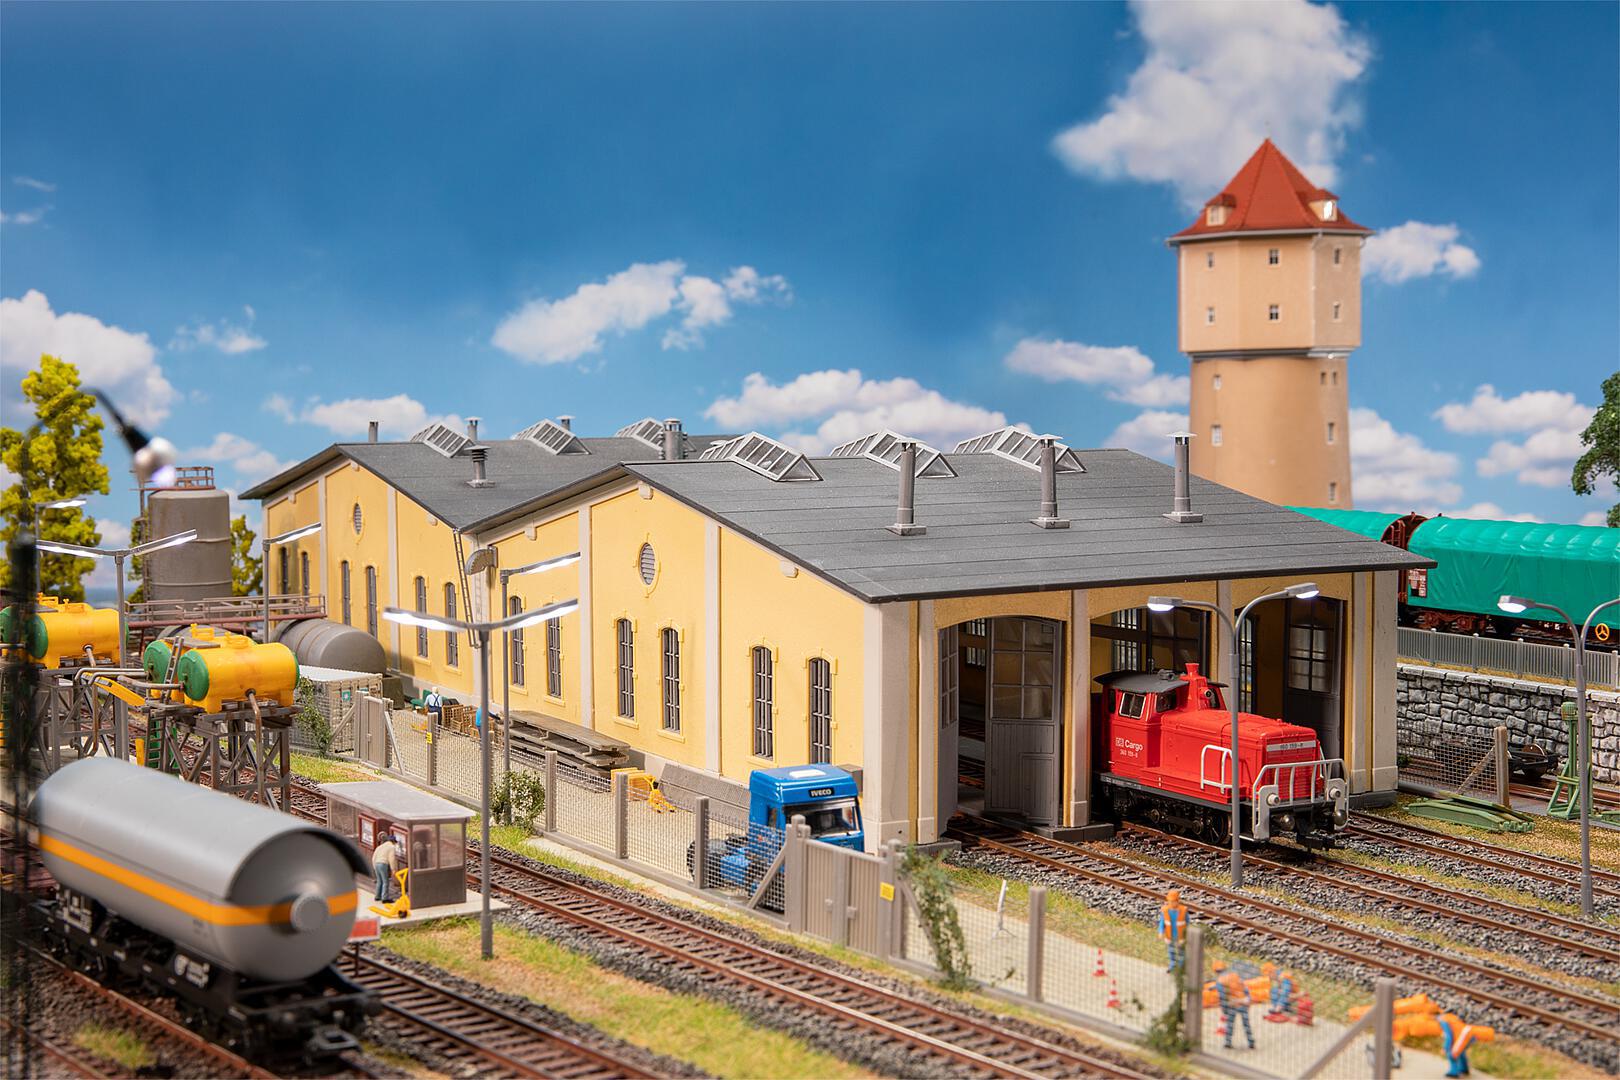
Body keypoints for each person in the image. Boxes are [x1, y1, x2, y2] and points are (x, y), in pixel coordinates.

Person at [1213, 960, 1255, 1050]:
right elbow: (1245, 988)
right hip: (1242, 1002)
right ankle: (1251, 1042)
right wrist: (1248, 1000)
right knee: (1246, 1024)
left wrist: (1224, 1009)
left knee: (1230, 1024)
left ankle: (1228, 1042)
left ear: (1216, 971)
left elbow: (1222, 995)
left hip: (1232, 1004)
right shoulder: (1235, 976)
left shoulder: (1220, 980)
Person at [1158, 888, 1188, 972]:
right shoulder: (1165, 910)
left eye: (1174, 901)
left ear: (1178, 901)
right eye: (1170, 901)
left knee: (1181, 951)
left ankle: (1181, 966)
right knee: (1171, 951)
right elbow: (1162, 922)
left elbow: (1187, 923)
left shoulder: (1183, 910)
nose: (1172, 903)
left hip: (1180, 935)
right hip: (1169, 935)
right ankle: (1172, 965)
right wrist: (1161, 932)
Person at [372, 824, 400, 902]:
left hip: (377, 864)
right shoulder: (391, 847)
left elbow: (374, 857)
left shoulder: (380, 846)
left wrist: (374, 867)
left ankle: (377, 896)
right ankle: (385, 898)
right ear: (393, 842)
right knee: (385, 881)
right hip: (383, 864)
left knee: (379, 881)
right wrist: (393, 869)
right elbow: (391, 859)